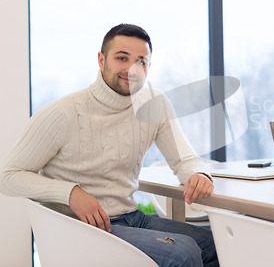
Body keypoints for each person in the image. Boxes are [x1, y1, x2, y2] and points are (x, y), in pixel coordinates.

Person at [0, 24, 219, 267]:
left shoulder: (155, 103)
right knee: (183, 252)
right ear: (101, 59)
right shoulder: (62, 113)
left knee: (218, 244)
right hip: (80, 228)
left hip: (133, 218)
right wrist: (70, 193)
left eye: (141, 61)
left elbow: (185, 159)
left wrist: (198, 173)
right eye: (122, 58)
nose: (131, 69)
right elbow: (8, 176)